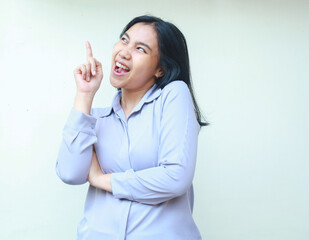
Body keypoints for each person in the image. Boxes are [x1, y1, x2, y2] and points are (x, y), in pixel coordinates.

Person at [56, 15, 208, 240]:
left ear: (161, 69)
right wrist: (85, 94)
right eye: (124, 40)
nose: (124, 52)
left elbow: (175, 177)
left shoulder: (173, 96)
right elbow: (70, 174)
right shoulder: (96, 120)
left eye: (140, 49)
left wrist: (101, 179)